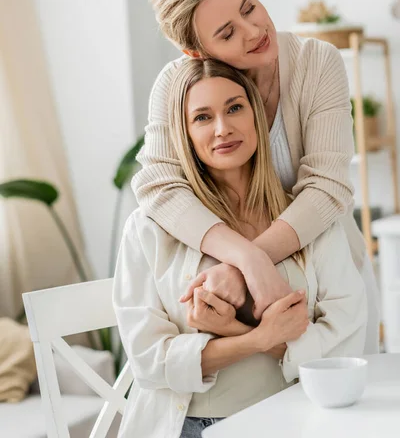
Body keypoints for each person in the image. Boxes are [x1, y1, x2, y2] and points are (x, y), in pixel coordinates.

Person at [132, 0, 379, 353]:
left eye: (249, 7)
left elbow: (327, 188)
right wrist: (246, 259)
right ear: (195, 52)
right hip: (235, 298)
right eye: (227, 33)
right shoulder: (177, 86)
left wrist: (245, 266)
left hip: (329, 284)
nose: (254, 31)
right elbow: (157, 185)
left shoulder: (318, 63)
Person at [113, 59, 367, 438]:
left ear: (256, 116)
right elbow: (149, 363)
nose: (222, 129)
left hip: (292, 422)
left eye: (234, 108)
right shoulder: (149, 230)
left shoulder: (307, 220)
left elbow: (342, 344)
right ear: (184, 134)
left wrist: (231, 330)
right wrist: (259, 338)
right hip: (189, 427)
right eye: (202, 117)